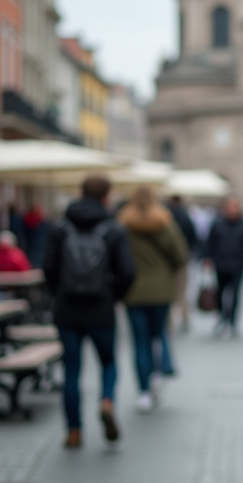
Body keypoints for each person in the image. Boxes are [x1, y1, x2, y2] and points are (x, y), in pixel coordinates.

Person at [43, 174, 135, 450]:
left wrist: (58, 294)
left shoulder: (60, 228)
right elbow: (128, 272)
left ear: (80, 193)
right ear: (107, 196)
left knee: (72, 369)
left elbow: (48, 268)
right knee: (108, 362)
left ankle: (73, 431)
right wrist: (114, 296)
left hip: (68, 308)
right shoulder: (113, 230)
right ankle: (106, 401)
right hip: (101, 308)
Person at [118, 185, 189, 412]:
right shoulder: (164, 221)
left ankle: (143, 392)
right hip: (161, 290)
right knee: (157, 335)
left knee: (139, 342)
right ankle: (158, 373)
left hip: (133, 291)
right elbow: (181, 255)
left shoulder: (124, 224)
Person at [203, 196, 243, 338]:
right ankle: (222, 317)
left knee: (236, 295)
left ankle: (233, 321)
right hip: (221, 264)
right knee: (220, 293)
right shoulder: (218, 224)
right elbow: (210, 243)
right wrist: (207, 258)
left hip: (238, 265)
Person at [164, 194, 199, 334]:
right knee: (182, 291)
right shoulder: (185, 216)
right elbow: (194, 238)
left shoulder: (164, 217)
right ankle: (183, 316)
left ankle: (172, 320)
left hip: (165, 262)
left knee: (169, 291)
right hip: (182, 259)